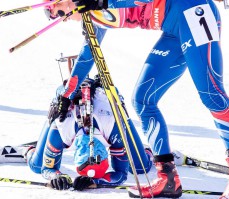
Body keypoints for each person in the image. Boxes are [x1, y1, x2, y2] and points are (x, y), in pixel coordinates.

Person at [43, 0, 229, 198]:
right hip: (172, 30)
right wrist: (66, 96)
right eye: (54, 16)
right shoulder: (92, 14)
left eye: (57, 11)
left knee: (211, 93)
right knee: (143, 99)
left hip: (193, 11)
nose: (60, 18)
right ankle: (167, 177)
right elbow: (87, 54)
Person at [25, 75, 153, 190]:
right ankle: (29, 150)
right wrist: (57, 176)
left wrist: (56, 176)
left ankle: (144, 151)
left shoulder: (64, 132)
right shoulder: (61, 129)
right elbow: (120, 174)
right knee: (37, 165)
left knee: (140, 168)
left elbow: (48, 169)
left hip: (108, 114)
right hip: (68, 110)